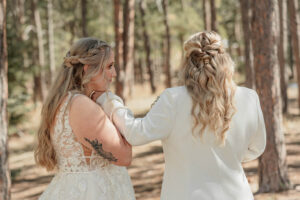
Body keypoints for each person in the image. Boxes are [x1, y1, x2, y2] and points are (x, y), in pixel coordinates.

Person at [95, 31, 266, 200]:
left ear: (187, 62)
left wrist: (107, 100)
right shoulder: (249, 97)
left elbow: (136, 134)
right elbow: (257, 147)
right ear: (224, 60)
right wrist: (227, 156)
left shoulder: (173, 99)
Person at [34, 38, 135, 200]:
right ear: (88, 70)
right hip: (91, 191)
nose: (114, 74)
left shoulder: (64, 101)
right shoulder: (82, 105)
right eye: (109, 66)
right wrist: (113, 104)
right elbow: (124, 156)